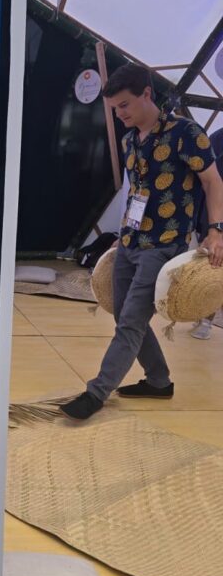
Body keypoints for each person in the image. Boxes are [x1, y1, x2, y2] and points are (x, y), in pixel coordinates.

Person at [61, 65, 223, 420]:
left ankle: (96, 393)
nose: (120, 114)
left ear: (147, 94)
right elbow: (136, 191)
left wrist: (216, 231)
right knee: (123, 313)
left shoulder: (185, 133)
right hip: (130, 241)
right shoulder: (130, 140)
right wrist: (121, 237)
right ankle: (159, 381)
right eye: (115, 108)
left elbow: (213, 181)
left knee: (131, 321)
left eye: (124, 105)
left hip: (164, 244)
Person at [190, 126, 223, 339]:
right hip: (214, 216)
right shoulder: (217, 138)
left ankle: (205, 320)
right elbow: (207, 182)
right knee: (213, 266)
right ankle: (204, 318)